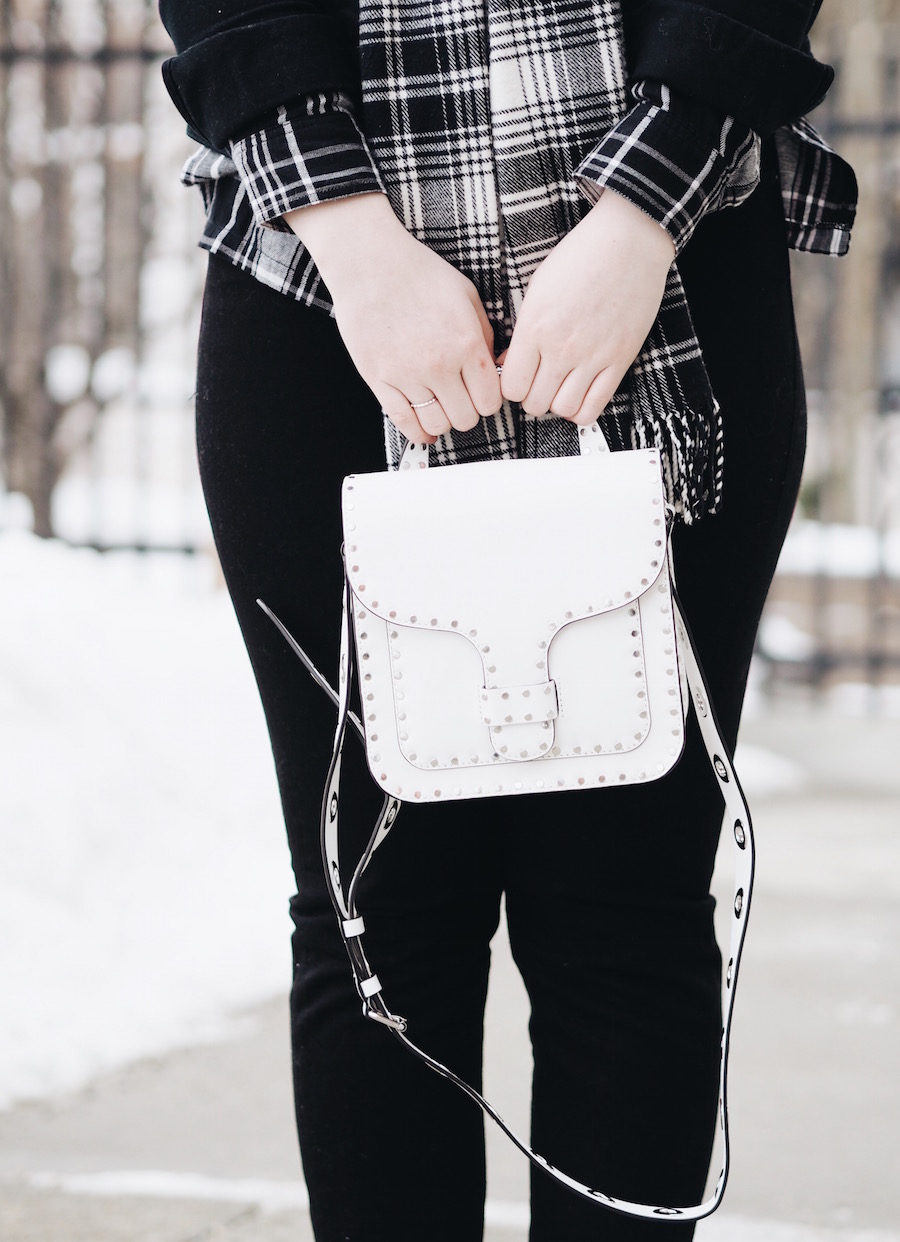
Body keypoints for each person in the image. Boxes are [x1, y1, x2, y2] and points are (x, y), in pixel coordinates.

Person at [158, 3, 856, 1239]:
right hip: (316, 293)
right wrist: (355, 245)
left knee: (629, 911)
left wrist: (642, 216)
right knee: (380, 918)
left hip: (677, 272)